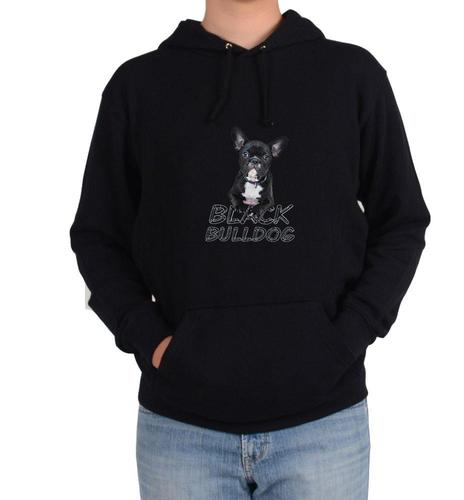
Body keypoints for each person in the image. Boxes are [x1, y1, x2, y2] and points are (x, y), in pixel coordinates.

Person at [69, 1, 430, 498]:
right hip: (182, 429)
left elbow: (402, 221)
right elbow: (97, 236)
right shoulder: (139, 86)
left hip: (324, 424)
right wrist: (151, 340)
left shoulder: (352, 76)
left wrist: (348, 336)